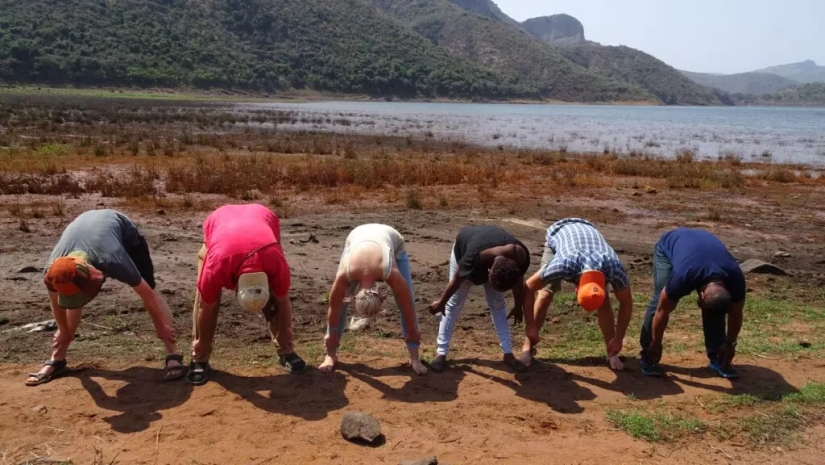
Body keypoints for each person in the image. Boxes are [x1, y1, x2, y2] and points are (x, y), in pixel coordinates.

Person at [26, 209, 182, 386]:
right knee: (72, 299)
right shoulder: (54, 273)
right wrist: (64, 331)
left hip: (124, 233)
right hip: (85, 227)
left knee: (151, 289)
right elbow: (57, 304)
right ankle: (58, 359)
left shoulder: (113, 260)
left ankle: (172, 354)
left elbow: (147, 295)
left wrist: (161, 328)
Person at [189, 204, 306, 385]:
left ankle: (287, 351)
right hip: (219, 229)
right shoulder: (216, 266)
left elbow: (283, 302)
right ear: (235, 288)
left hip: (264, 219)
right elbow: (207, 308)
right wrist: (200, 345)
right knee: (205, 296)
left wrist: (287, 337)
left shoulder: (276, 262)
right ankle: (199, 358)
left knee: (277, 296)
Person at [518, 218, 633, 370]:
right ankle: (527, 348)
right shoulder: (563, 263)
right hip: (559, 232)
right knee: (545, 295)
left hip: (589, 232)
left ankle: (612, 353)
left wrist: (618, 339)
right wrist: (530, 326)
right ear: (576, 289)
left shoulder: (614, 268)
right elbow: (528, 286)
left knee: (602, 300)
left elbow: (626, 303)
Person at [319, 224, 426, 375]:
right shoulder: (346, 273)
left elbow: (407, 304)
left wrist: (413, 332)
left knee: (405, 297)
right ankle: (330, 356)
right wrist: (331, 336)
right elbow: (334, 306)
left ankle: (415, 358)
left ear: (381, 297)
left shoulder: (390, 272)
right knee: (341, 303)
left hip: (392, 238)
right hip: (356, 237)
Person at [639, 228, 745, 378]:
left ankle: (717, 356)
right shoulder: (682, 277)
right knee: (659, 300)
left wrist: (730, 344)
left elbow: (736, 314)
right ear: (701, 295)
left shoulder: (735, 280)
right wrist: (656, 343)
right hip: (670, 244)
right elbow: (662, 311)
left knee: (716, 306)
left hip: (699, 249)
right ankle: (648, 354)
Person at [426, 225, 530, 373]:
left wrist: (518, 306)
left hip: (490, 248)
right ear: (488, 272)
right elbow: (455, 282)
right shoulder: (472, 259)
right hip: (467, 247)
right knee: (454, 303)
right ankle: (441, 353)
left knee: (498, 304)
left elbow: (519, 282)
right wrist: (441, 303)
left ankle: (508, 354)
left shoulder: (520, 255)